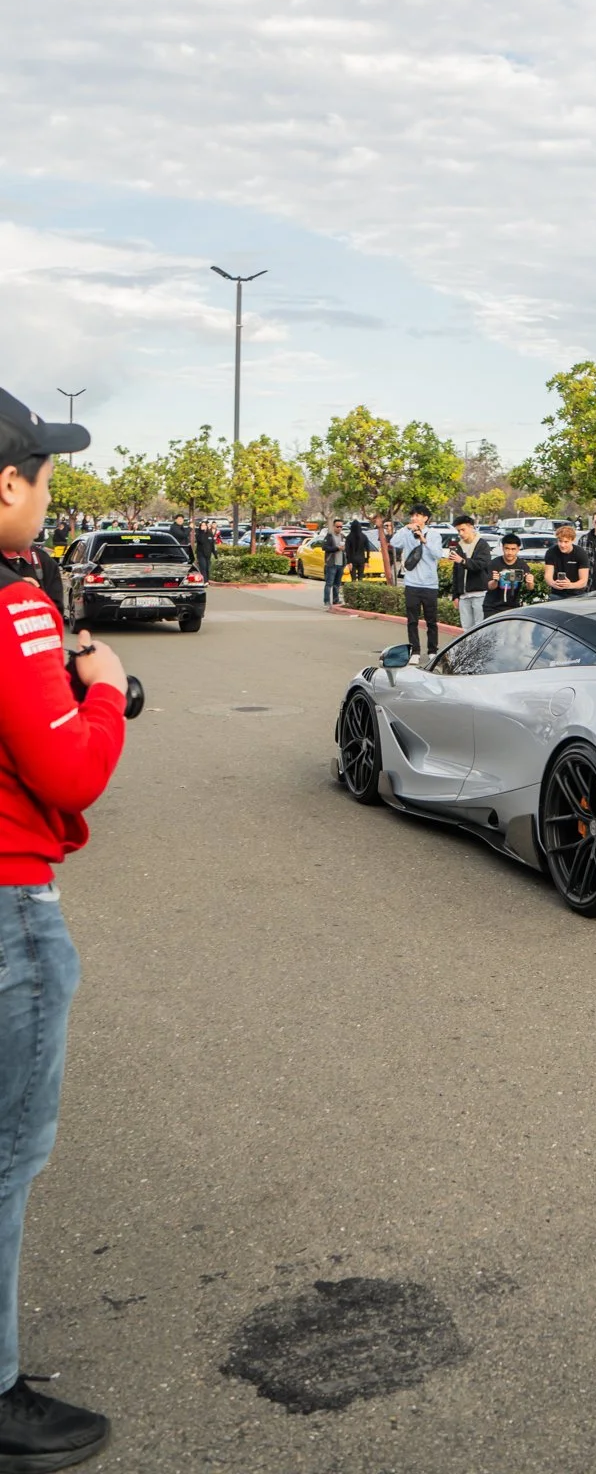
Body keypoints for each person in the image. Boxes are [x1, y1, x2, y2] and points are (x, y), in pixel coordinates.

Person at [0, 386, 128, 1470]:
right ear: (7, 483)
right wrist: (104, 689)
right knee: (5, 1157)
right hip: (9, 900)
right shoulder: (15, 603)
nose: (48, 495)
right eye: (43, 475)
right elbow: (70, 766)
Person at [391, 503, 441, 659]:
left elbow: (437, 554)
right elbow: (393, 542)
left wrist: (423, 539)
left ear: (425, 518)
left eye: (418, 515)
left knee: (431, 620)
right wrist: (405, 529)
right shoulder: (406, 533)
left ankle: (432, 651)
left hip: (430, 584)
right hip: (412, 584)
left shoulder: (434, 535)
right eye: (412, 515)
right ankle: (415, 651)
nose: (414, 518)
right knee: (412, 620)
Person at [449, 513, 495, 632]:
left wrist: (463, 561)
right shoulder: (459, 546)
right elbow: (456, 571)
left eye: (463, 530)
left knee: (480, 627)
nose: (461, 533)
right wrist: (455, 595)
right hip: (463, 595)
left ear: (471, 527)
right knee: (466, 629)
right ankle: (468, 650)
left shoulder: (482, 545)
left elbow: (481, 564)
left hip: (479, 593)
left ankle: (480, 651)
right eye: (458, 531)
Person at [483, 533, 536, 617]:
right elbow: (490, 586)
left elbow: (530, 588)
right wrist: (495, 580)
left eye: (513, 549)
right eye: (506, 548)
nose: (509, 552)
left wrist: (530, 582)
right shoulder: (494, 563)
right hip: (492, 607)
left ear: (518, 549)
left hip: (513, 607)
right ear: (502, 548)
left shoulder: (522, 565)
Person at [543, 523, 591, 599]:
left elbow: (584, 581)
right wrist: (553, 584)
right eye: (560, 541)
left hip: (577, 594)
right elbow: (548, 575)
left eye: (566, 542)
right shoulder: (551, 552)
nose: (562, 545)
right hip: (556, 593)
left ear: (572, 540)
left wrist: (570, 585)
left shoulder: (581, 553)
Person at [320, 518, 346, 609]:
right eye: (337, 526)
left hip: (340, 563)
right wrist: (336, 548)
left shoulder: (343, 536)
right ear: (333, 527)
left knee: (337, 584)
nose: (339, 528)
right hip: (331, 564)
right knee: (329, 583)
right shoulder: (329, 536)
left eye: (341, 527)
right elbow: (324, 548)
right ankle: (326, 600)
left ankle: (336, 600)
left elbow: (345, 549)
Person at [343, 519, 370, 584]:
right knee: (361, 578)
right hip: (361, 559)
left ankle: (353, 591)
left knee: (353, 579)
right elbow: (367, 549)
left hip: (352, 560)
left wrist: (348, 561)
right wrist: (367, 560)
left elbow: (347, 550)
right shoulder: (364, 536)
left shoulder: (349, 537)